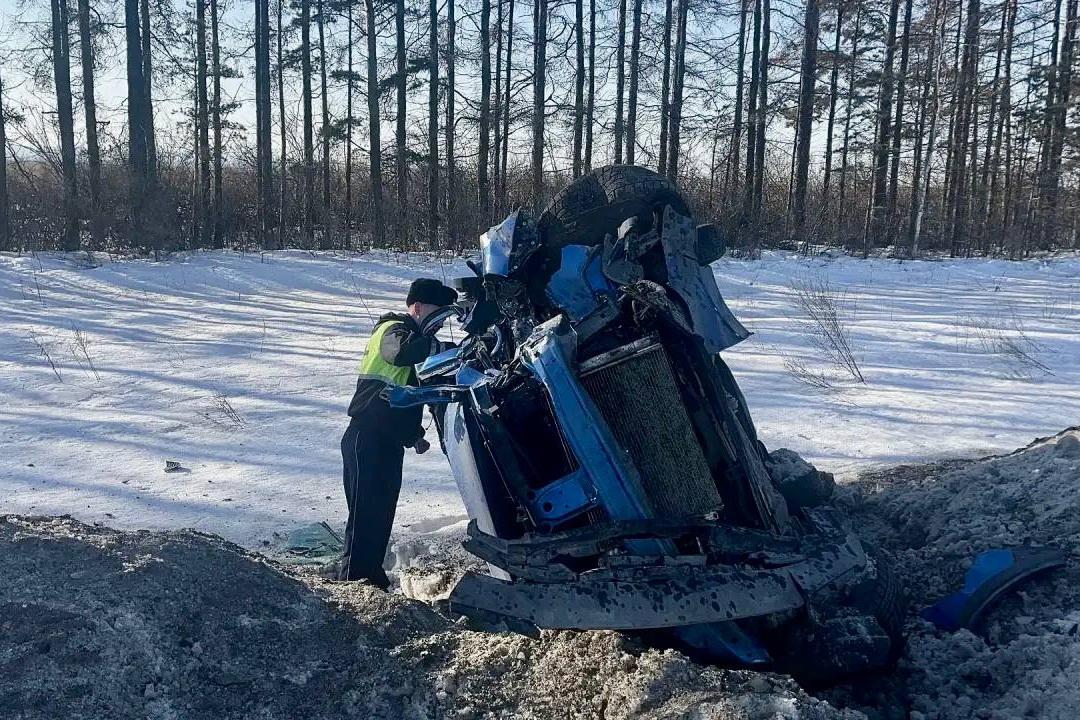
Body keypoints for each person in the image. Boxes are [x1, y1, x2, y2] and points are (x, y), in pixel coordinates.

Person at [335, 277, 458, 586]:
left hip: (387, 441)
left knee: (381, 514)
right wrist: (445, 349)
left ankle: (371, 578)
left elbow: (403, 395)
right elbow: (399, 353)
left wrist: (413, 435)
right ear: (417, 307)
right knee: (365, 515)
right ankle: (353, 583)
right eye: (437, 314)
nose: (439, 325)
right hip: (366, 437)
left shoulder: (415, 342)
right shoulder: (392, 330)